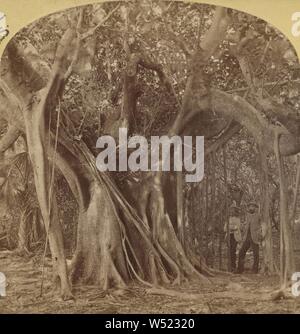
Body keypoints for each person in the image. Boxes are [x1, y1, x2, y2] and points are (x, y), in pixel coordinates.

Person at [237, 202, 261, 274]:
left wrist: (259, 233)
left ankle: (255, 270)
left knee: (256, 254)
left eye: (253, 206)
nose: (251, 208)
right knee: (241, 252)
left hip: (255, 237)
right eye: (250, 206)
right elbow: (244, 224)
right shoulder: (247, 216)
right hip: (246, 237)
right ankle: (240, 269)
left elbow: (262, 225)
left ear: (255, 208)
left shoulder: (258, 215)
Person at [224, 202, 242, 272]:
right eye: (231, 210)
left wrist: (230, 227)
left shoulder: (238, 219)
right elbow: (225, 228)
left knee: (233, 251)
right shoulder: (228, 219)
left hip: (235, 237)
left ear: (235, 211)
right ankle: (230, 267)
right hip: (229, 236)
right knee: (229, 252)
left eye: (233, 210)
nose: (232, 211)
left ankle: (234, 267)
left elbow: (237, 227)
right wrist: (231, 227)